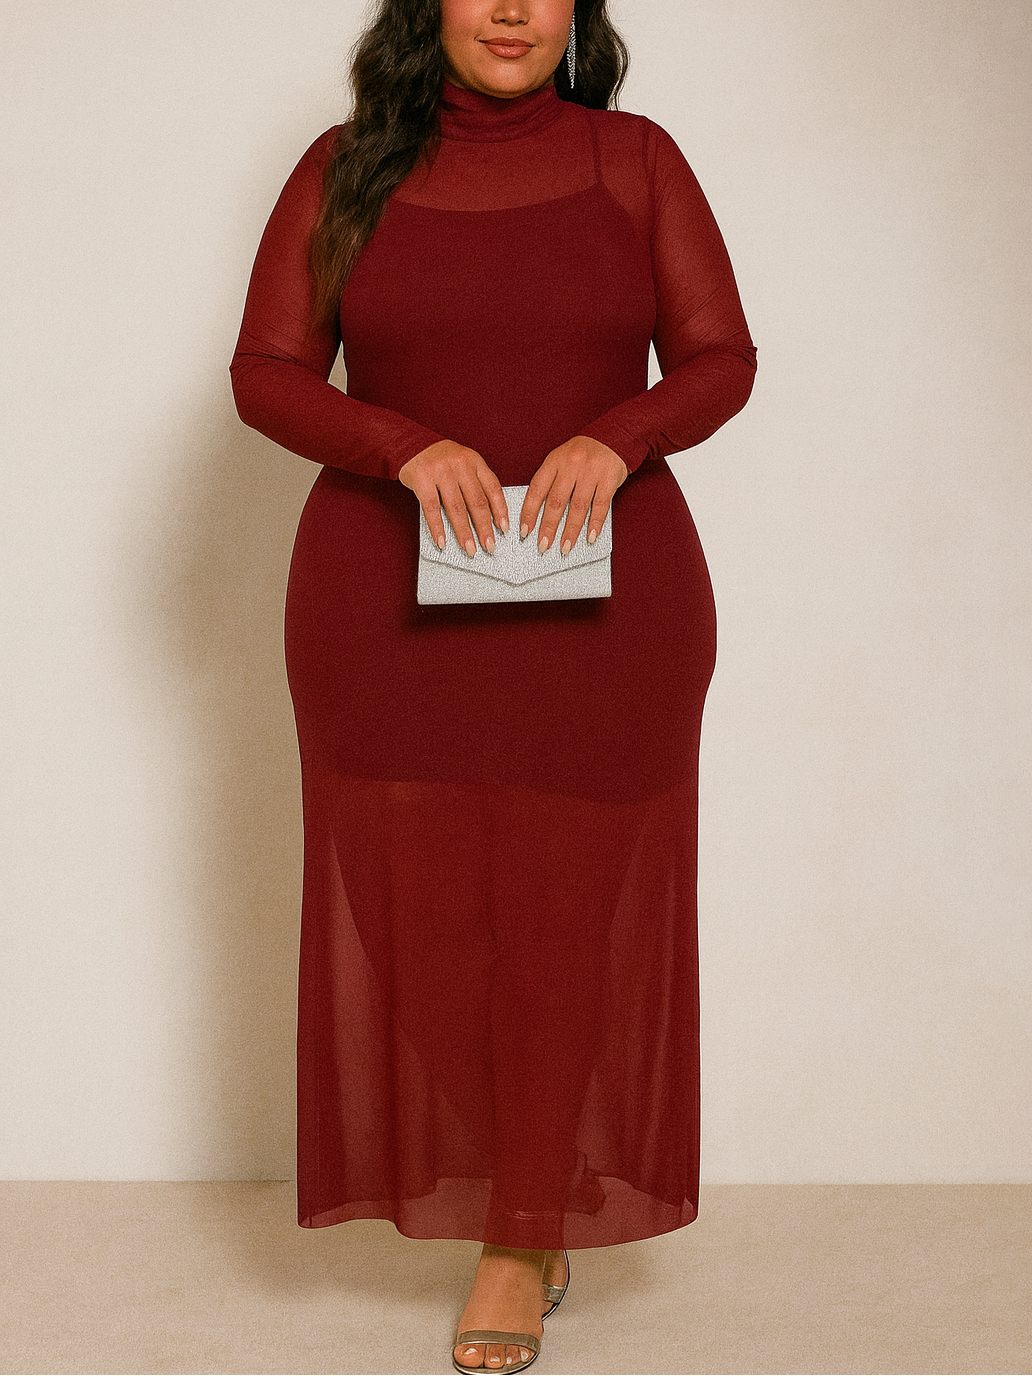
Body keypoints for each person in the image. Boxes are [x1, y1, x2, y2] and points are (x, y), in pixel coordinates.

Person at [231, 1, 755, 1369]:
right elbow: (267, 373)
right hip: (381, 605)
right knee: (425, 924)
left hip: (608, 609)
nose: (513, 7)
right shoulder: (347, 166)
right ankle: (531, 1181)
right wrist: (399, 444)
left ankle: (518, 1235)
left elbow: (721, 357)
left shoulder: (633, 159)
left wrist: (620, 433)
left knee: (569, 916)